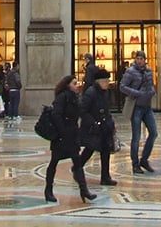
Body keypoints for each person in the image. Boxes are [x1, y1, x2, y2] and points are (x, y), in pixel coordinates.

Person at [43, 74, 95, 203]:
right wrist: (63, 131)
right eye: (74, 83)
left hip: (72, 135)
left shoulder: (76, 98)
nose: (77, 86)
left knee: (77, 163)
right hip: (62, 137)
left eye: (77, 83)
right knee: (54, 162)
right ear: (67, 85)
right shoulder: (62, 97)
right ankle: (48, 190)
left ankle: (84, 191)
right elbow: (56, 114)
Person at [77, 68, 117, 189]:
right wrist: (93, 123)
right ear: (99, 81)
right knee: (89, 149)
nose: (107, 83)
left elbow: (106, 110)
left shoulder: (104, 92)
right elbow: (83, 110)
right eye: (105, 81)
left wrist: (111, 123)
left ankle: (105, 177)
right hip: (93, 128)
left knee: (105, 151)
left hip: (104, 127)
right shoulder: (91, 92)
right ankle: (77, 168)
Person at [119, 50, 157, 173]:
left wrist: (152, 91)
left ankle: (144, 159)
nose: (140, 60)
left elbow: (151, 84)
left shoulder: (149, 71)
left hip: (147, 107)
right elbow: (122, 86)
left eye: (142, 58)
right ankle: (135, 164)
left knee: (154, 132)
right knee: (136, 136)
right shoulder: (130, 72)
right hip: (136, 107)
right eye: (138, 58)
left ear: (145, 59)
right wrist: (137, 93)